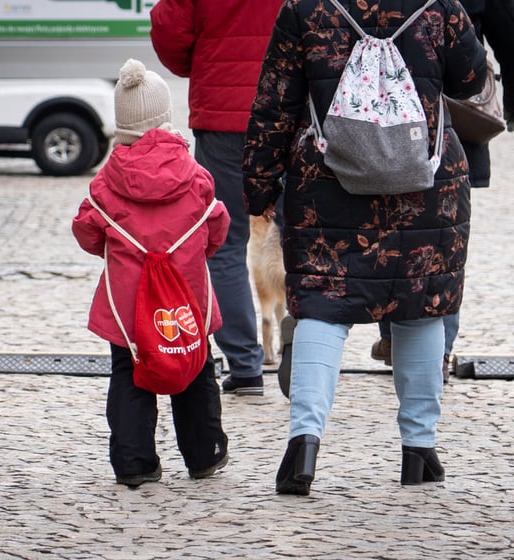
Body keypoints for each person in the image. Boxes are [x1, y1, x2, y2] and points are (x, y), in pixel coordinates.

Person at [243, 0, 488, 495]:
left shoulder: (305, 8)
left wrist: (260, 188)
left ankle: (303, 446)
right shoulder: (440, 7)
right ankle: (419, 451)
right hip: (426, 184)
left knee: (319, 309)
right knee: (420, 308)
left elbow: (276, 104)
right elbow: (470, 80)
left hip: (326, 187)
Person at [72, 59, 230, 487]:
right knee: (196, 370)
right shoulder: (196, 177)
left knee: (129, 375)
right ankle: (204, 455)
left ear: (122, 124)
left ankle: (134, 464)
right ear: (164, 117)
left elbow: (86, 231)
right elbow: (216, 227)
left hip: (128, 307)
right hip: (186, 300)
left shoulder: (106, 183)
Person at [370, 0, 514, 382]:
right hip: (451, 123)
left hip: (383, 120)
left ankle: (395, 336)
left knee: (388, 229)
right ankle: (437, 352)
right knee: (445, 242)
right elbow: (512, 37)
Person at [150, 0, 284, 397]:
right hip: (288, 111)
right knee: (303, 236)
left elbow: (169, 28)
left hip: (222, 116)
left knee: (224, 243)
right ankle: (303, 348)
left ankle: (245, 366)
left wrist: (207, 58)